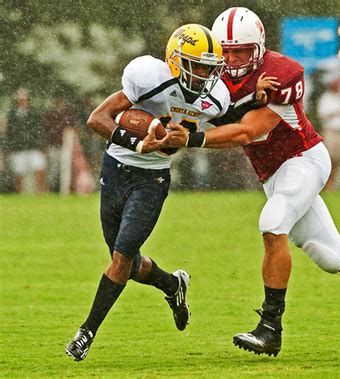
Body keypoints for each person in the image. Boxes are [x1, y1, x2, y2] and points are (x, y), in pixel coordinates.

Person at [154, 7, 340, 357]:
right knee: (334, 257)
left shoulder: (282, 72)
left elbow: (249, 130)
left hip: (304, 160)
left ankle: (270, 328)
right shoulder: (215, 79)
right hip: (273, 175)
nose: (234, 59)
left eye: (241, 51)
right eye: (227, 51)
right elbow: (213, 109)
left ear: (259, 48)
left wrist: (190, 140)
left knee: (272, 222)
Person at [65, 24, 230, 361]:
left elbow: (227, 118)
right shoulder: (149, 77)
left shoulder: (215, 98)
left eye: (209, 68)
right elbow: (98, 118)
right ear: (174, 60)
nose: (203, 75)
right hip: (116, 168)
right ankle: (173, 285)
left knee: (122, 257)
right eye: (197, 65)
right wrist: (139, 142)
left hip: (152, 179)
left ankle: (86, 332)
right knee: (125, 261)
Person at [5, 88, 47, 193]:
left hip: (33, 147)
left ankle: (39, 194)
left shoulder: (34, 113)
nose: (23, 101)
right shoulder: (12, 115)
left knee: (40, 169)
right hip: (18, 149)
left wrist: (40, 144)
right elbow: (9, 132)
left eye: (24, 99)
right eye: (20, 99)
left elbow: (39, 129)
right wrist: (9, 148)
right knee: (19, 175)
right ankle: (20, 195)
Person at [316, 73, 340, 190]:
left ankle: (332, 184)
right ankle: (326, 184)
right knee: (329, 159)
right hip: (330, 131)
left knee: (338, 159)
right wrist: (338, 111)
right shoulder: (326, 98)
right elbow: (323, 115)